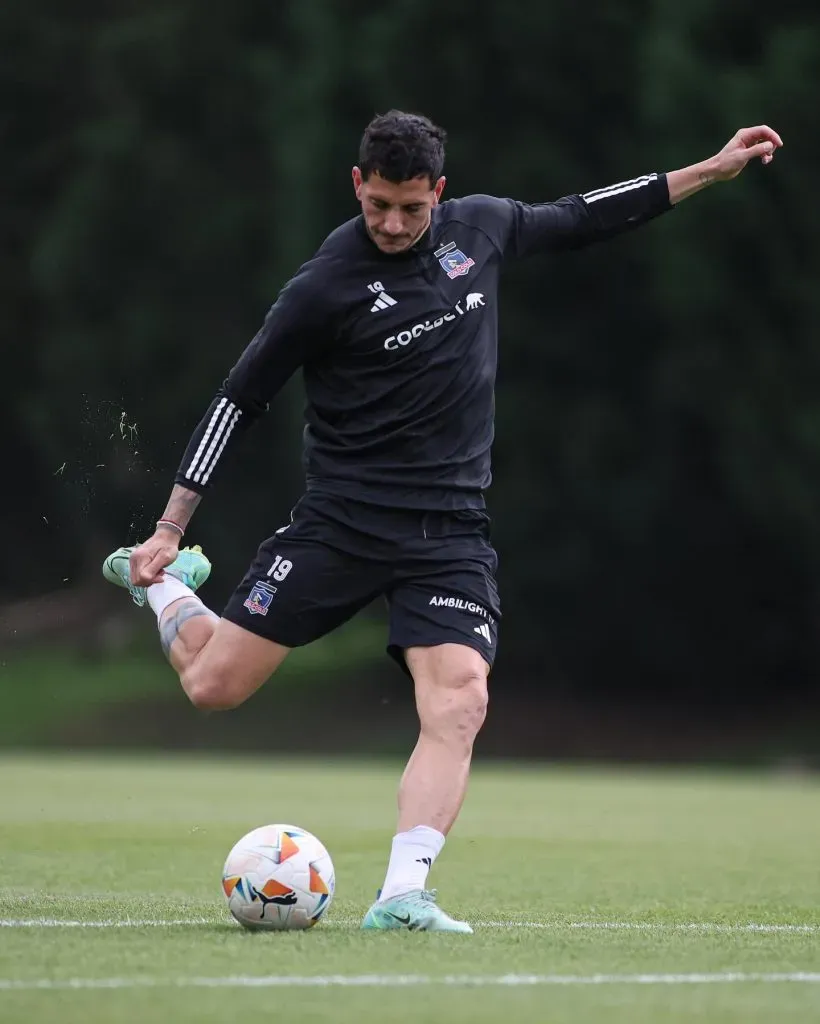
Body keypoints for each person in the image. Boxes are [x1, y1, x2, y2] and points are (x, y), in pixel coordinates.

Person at [103, 110, 782, 932]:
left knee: (460, 698)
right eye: (378, 205)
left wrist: (709, 168)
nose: (392, 224)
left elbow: (584, 214)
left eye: (411, 208)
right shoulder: (323, 287)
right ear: (358, 184)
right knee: (214, 687)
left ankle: (402, 896)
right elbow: (237, 400)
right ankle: (165, 585)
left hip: (450, 532)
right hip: (343, 523)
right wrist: (171, 528)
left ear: (440, 193)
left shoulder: (481, 229)